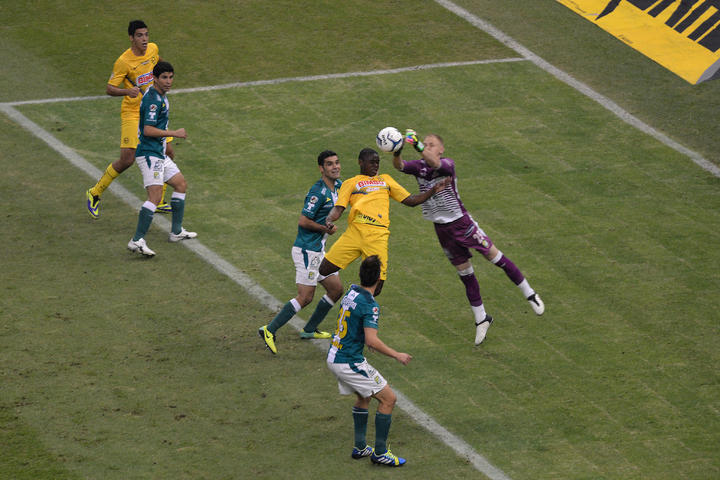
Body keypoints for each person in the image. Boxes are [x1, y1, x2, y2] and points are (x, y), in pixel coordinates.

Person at [392, 130, 544, 345]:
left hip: (462, 224)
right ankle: (481, 318)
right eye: (425, 143)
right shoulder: (419, 166)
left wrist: (417, 144)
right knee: (465, 274)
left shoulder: (447, 164)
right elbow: (399, 166)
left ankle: (530, 293)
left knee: (495, 257)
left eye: (431, 144)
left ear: (441, 149)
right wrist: (397, 151)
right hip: (442, 229)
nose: (427, 146)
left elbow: (434, 162)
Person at [318, 147, 450, 296]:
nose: (376, 165)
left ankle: (354, 298)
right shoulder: (350, 183)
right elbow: (338, 208)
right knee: (324, 269)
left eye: (378, 162)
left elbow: (411, 200)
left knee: (376, 289)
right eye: (372, 162)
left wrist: (433, 190)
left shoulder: (385, 180)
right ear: (361, 162)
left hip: (377, 235)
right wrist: (329, 219)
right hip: (354, 233)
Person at [326, 255, 411, 467]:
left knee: (364, 396)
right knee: (388, 399)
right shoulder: (370, 305)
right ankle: (380, 453)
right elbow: (372, 340)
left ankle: (361, 447)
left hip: (336, 354)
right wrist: (397, 354)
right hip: (348, 361)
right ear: (379, 279)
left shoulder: (351, 291)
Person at [258, 150, 344, 354]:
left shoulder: (339, 186)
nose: (335, 167)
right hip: (307, 250)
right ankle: (269, 330)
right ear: (321, 168)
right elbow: (303, 221)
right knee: (305, 297)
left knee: (336, 289)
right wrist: (325, 228)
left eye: (337, 162)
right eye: (330, 164)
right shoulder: (318, 192)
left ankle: (310, 329)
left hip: (318, 250)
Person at [86, 19, 172, 219]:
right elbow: (109, 88)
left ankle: (158, 200)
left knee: (168, 151)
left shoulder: (153, 49)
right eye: (140, 35)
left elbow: (158, 63)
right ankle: (95, 193)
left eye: (146, 35)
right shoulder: (123, 62)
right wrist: (127, 91)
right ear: (131, 38)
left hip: (151, 111)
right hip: (132, 113)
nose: (144, 39)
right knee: (127, 159)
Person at [127, 61, 196, 257]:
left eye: (171, 77)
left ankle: (176, 232)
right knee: (155, 197)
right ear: (155, 79)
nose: (168, 81)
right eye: (164, 77)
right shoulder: (153, 100)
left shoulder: (160, 96)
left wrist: (166, 146)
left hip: (158, 152)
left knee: (180, 184)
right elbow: (148, 130)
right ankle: (137, 240)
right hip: (149, 154)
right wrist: (174, 133)